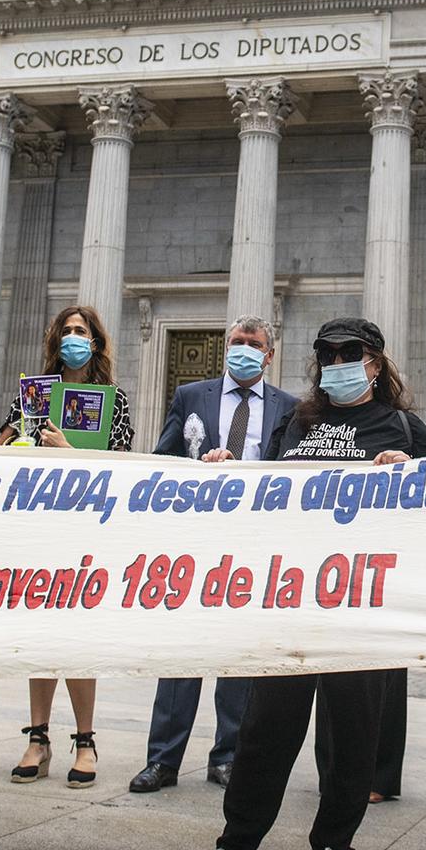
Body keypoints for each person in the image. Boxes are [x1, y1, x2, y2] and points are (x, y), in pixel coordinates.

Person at [190, 317, 426, 850]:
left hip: (361, 609)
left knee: (353, 735)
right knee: (265, 730)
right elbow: (262, 495)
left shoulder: (404, 428)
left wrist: (410, 478)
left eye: (351, 354)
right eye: (327, 354)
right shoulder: (297, 422)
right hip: (293, 601)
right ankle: (234, 847)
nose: (338, 363)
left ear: (376, 363)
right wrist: (225, 475)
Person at [131, 317, 296, 794]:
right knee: (181, 652)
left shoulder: (288, 407)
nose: (243, 349)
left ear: (269, 355)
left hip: (253, 544)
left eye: (254, 344)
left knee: (237, 654)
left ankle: (228, 756)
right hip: (195, 540)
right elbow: (165, 460)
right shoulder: (191, 396)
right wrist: (198, 470)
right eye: (237, 342)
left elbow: (292, 473)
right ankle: (162, 759)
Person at [0, 304, 134, 787]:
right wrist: (15, 443)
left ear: (95, 342)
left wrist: (70, 453)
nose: (74, 338)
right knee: (39, 634)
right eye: (67, 331)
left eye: (82, 331)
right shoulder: (32, 395)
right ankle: (37, 739)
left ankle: (85, 740)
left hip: (85, 531)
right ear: (56, 340)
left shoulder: (114, 400)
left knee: (78, 638)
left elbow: (122, 467)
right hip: (39, 525)